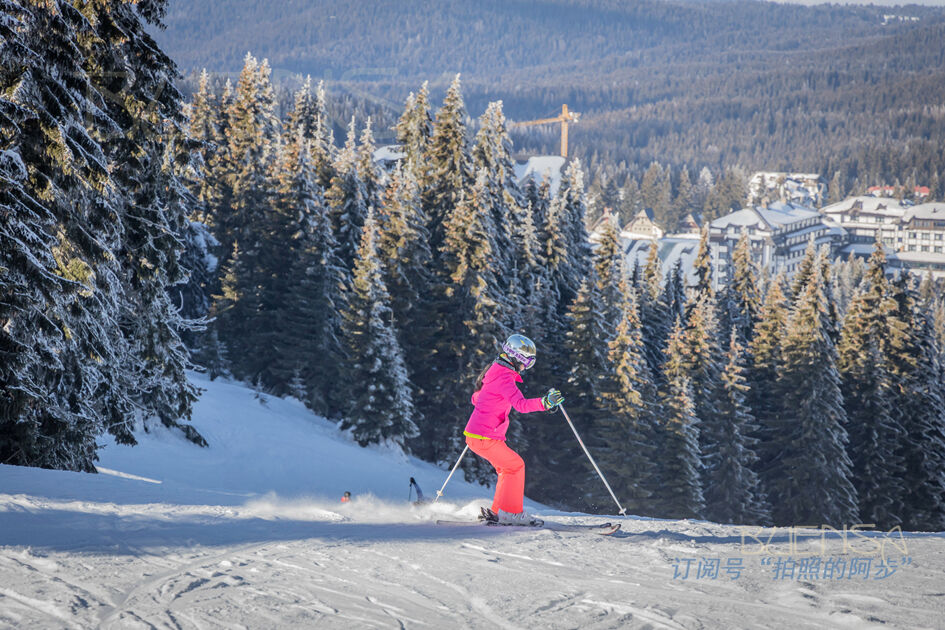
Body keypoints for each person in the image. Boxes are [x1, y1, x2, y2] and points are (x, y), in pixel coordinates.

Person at [463, 334, 564, 526]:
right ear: (517, 357)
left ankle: (498, 512)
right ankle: (511, 513)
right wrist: (545, 402)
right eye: (527, 363)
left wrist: (486, 403)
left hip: (478, 435)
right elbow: (521, 405)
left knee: (507, 469)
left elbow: (476, 398)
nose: (526, 367)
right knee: (516, 466)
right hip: (485, 436)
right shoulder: (505, 378)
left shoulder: (494, 371)